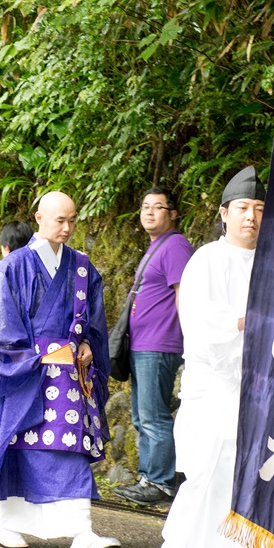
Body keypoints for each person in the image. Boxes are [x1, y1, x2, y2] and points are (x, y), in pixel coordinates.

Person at [0, 192, 120, 548]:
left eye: (72, 220)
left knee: (70, 445)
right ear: (39, 218)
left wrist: (86, 344)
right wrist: (31, 355)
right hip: (25, 373)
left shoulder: (83, 267)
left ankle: (81, 531)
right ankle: (7, 524)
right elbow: (0, 324)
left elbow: (94, 324)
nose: (67, 228)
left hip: (69, 375)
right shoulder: (12, 267)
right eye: (59, 221)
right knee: (18, 448)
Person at [153, 166, 274, 548]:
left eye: (258, 210)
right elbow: (196, 319)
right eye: (242, 209)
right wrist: (244, 323)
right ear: (223, 213)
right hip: (214, 384)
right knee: (207, 476)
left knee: (262, 481)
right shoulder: (206, 260)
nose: (250, 217)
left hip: (263, 388)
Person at [114, 187, 195, 507]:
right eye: (144, 206)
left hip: (160, 344)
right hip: (143, 344)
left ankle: (160, 482)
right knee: (141, 415)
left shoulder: (175, 245)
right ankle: (148, 476)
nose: (149, 212)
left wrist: (190, 340)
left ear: (172, 214)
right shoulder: (156, 247)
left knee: (153, 415)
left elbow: (183, 294)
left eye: (157, 207)